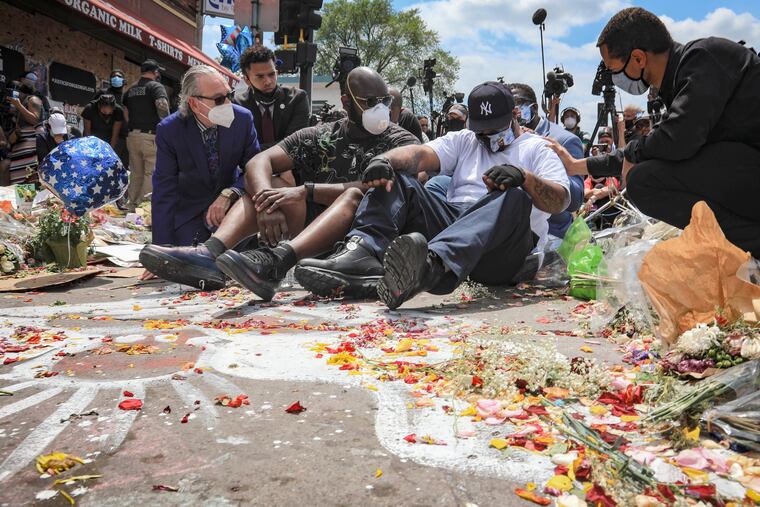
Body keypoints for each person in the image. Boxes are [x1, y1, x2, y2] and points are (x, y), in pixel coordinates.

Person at [139, 67, 418, 298]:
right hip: (310, 233)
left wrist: (305, 191)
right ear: (347, 103)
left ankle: (275, 262)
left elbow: (389, 186)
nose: (380, 109)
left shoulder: (400, 141)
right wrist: (265, 201)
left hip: (363, 239)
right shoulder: (320, 136)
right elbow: (258, 162)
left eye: (385, 102)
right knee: (268, 187)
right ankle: (209, 254)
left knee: (345, 197)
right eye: (370, 102)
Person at [295, 81, 570, 309]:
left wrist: (525, 178)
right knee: (398, 179)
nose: (487, 135)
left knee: (513, 196)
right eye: (482, 129)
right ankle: (363, 253)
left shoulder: (537, 149)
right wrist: (385, 160)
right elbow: (420, 155)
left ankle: (429, 267)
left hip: (501, 250)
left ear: (514, 114)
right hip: (457, 225)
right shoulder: (465, 140)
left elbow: (560, 201)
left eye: (495, 128)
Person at [548, 6, 760, 258]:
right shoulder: (680, 81)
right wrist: (574, 166)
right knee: (646, 167)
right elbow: (654, 146)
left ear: (638, 58)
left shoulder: (704, 57)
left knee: (644, 180)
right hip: (745, 173)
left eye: (614, 69)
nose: (615, 79)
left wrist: (635, 152)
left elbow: (678, 140)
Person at [134, 65, 259, 252]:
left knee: (235, 260)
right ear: (193, 103)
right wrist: (161, 250)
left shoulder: (242, 119)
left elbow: (255, 168)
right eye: (218, 99)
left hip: (232, 209)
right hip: (191, 213)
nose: (227, 104)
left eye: (228, 95)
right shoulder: (170, 130)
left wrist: (230, 193)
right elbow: (164, 189)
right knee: (189, 261)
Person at [510, 82, 584, 239]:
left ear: (534, 108)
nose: (514, 111)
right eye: (509, 106)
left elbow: (576, 199)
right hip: (514, 234)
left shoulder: (565, 140)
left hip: (552, 237)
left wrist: (548, 160)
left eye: (518, 105)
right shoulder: (505, 137)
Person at [233, 45, 310, 151]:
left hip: (290, 165)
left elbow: (295, 143)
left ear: (277, 72)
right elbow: (238, 146)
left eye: (271, 74)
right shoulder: (237, 105)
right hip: (250, 166)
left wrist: (251, 150)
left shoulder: (297, 98)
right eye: (260, 76)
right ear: (247, 80)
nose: (268, 81)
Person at [123, 59, 169, 212]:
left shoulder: (130, 89)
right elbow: (162, 107)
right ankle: (143, 209)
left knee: (136, 173)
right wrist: (167, 126)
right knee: (151, 172)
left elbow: (126, 113)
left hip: (133, 136)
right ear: (155, 72)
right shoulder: (156, 87)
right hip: (150, 136)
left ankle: (131, 205)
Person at [7, 81, 43, 184]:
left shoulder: (32, 99)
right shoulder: (18, 105)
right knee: (20, 189)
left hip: (32, 153)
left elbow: (35, 119)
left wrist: (18, 105)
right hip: (20, 155)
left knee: (31, 183)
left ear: (20, 92)